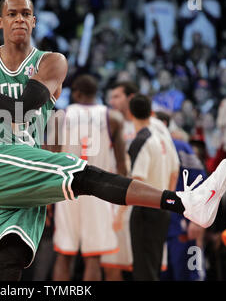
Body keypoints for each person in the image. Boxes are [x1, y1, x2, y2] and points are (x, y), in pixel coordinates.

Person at [0, 0, 226, 281]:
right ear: (0, 22)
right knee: (85, 175)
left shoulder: (52, 62)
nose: (19, 19)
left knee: (9, 256)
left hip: (27, 166)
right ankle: (184, 203)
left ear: (33, 21)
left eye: (25, 14)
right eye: (12, 14)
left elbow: (24, 106)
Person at [51, 74, 127, 281]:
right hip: (99, 192)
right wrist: (121, 199)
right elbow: (122, 165)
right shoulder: (113, 118)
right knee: (93, 257)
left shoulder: (61, 116)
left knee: (64, 254)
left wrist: (47, 200)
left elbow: (49, 160)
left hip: (67, 190)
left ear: (76, 94)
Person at [127, 94, 177, 280]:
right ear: (151, 112)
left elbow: (138, 181)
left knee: (143, 269)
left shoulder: (141, 140)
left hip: (145, 210)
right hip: (162, 208)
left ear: (130, 113)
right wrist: (166, 202)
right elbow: (175, 171)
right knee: (153, 266)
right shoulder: (163, 137)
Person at [156, 111, 207, 281]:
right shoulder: (143, 145)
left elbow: (200, 182)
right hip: (156, 224)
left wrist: (196, 220)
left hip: (181, 223)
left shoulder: (180, 147)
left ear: (163, 124)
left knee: (187, 274)